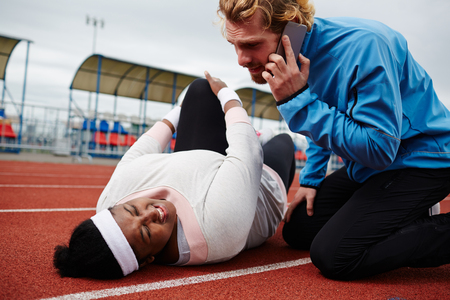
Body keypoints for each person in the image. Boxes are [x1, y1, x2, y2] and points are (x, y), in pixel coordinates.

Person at [218, 0, 450, 280]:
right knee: (299, 227)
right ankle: (403, 212)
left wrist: (298, 102)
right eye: (235, 45)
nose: (241, 59)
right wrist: (311, 179)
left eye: (252, 45)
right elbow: (327, 109)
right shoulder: (304, 53)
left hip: (425, 159)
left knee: (336, 256)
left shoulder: (366, 47)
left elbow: (379, 149)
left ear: (292, 31)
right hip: (370, 167)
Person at [53, 72, 296, 279]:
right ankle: (258, 134)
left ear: (115, 207)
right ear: (149, 259)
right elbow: (248, 153)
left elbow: (141, 149)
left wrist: (180, 111)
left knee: (199, 89)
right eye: (146, 232)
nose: (151, 213)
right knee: (283, 142)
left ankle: (233, 129)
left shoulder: (108, 207)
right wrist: (228, 96)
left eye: (133, 210)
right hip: (260, 185)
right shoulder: (214, 232)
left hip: (200, 164)